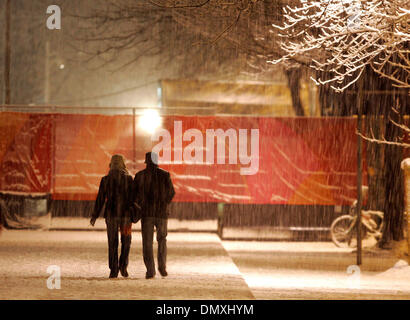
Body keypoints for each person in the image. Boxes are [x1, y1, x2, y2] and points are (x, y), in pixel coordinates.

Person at [90, 154, 134, 279]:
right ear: (123, 164)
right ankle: (123, 266)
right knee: (126, 241)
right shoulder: (129, 179)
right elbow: (133, 199)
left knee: (112, 242)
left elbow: (100, 199)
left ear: (111, 165)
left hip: (111, 216)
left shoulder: (105, 180)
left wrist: (94, 215)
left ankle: (113, 269)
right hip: (125, 216)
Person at [133, 152, 175, 279]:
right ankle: (162, 267)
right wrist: (163, 202)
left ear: (146, 162)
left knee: (147, 242)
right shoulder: (165, 174)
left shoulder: (140, 176)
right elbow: (171, 192)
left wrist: (141, 203)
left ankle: (150, 270)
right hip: (162, 214)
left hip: (146, 214)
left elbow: (134, 195)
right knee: (162, 240)